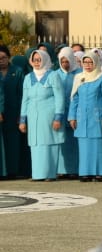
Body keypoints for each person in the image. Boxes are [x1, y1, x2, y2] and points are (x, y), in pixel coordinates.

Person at [19, 48, 66, 181]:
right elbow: (25, 99)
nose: (37, 62)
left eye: (39, 60)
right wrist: (23, 120)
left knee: (49, 143)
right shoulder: (28, 78)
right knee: (36, 144)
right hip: (33, 116)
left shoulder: (53, 75)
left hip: (49, 115)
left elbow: (60, 97)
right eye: (34, 60)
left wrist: (58, 117)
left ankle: (50, 174)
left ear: (45, 60)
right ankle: (38, 174)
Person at [68, 52, 102, 182]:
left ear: (96, 63)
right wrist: (72, 117)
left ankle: (101, 173)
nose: (87, 65)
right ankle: (85, 172)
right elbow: (74, 98)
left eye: (90, 62)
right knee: (84, 145)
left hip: (97, 116)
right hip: (82, 117)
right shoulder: (79, 77)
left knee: (99, 145)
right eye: (85, 62)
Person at [54, 46, 81, 178]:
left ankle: (74, 170)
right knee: (61, 142)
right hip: (60, 113)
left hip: (75, 112)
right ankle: (62, 170)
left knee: (74, 142)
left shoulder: (79, 73)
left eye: (67, 61)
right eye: (62, 61)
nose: (65, 64)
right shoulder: (55, 74)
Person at [0, 45, 25, 178]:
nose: (1, 60)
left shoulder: (17, 71)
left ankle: (12, 171)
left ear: (9, 58)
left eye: (4, 57)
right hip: (0, 112)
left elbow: (22, 94)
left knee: (13, 143)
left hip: (13, 111)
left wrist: (21, 115)